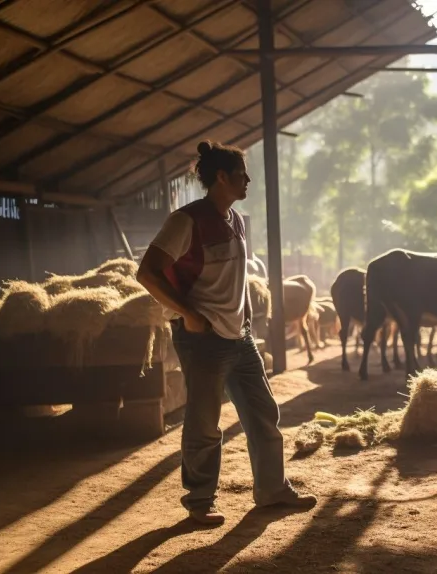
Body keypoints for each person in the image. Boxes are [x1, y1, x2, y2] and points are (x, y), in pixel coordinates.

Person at [137, 140, 317, 525]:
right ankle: (200, 503)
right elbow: (147, 272)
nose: (248, 180)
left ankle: (272, 490)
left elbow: (234, 277)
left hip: (239, 337)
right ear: (221, 177)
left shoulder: (235, 220)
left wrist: (246, 314)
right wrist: (188, 315)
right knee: (204, 422)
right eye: (241, 174)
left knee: (264, 411)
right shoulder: (185, 221)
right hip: (203, 339)